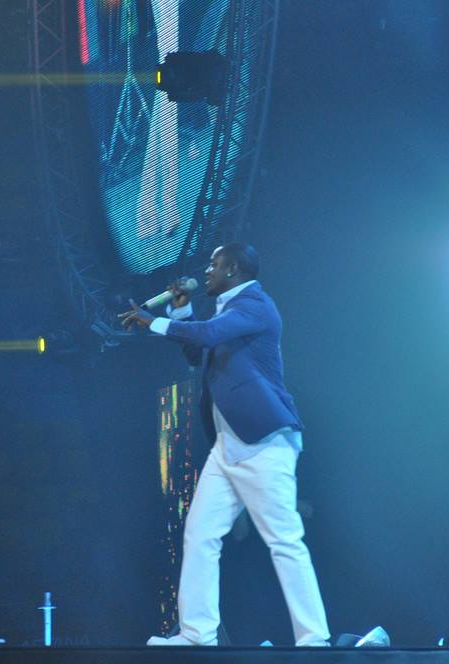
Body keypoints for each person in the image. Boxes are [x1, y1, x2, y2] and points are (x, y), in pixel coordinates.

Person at [122, 242, 330, 647]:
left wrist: (154, 322)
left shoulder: (255, 305)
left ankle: (314, 638)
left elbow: (210, 334)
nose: (207, 272)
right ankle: (197, 634)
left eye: (214, 265)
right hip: (228, 444)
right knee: (200, 535)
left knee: (284, 540)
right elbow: (197, 352)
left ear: (232, 268)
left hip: (263, 442)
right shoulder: (228, 312)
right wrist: (181, 310)